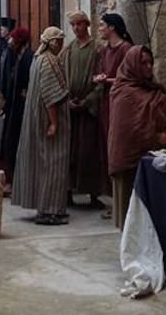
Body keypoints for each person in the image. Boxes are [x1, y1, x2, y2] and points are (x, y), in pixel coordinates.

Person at [108, 45, 166, 229]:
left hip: (155, 161)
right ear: (132, 64)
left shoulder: (154, 89)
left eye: (150, 62)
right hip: (130, 163)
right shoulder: (122, 93)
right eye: (143, 63)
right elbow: (128, 130)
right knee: (131, 218)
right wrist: (156, 138)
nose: (148, 67)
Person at [11, 26, 70, 226]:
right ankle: (50, 210)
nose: (61, 44)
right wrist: (54, 122)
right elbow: (51, 95)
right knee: (54, 164)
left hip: (37, 119)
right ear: (51, 42)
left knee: (43, 163)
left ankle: (44, 207)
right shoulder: (48, 61)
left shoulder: (38, 59)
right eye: (58, 41)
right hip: (47, 120)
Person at [93, 12, 133, 216]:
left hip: (120, 105)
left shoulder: (125, 49)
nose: (99, 28)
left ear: (112, 28)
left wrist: (107, 80)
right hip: (106, 104)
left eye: (102, 25)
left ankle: (123, 202)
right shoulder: (104, 50)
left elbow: (129, 77)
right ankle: (114, 199)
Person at [62, 11, 102, 208]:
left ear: (86, 25)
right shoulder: (69, 49)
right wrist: (67, 100)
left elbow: (101, 80)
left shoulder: (97, 49)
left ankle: (93, 194)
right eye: (73, 25)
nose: (76, 28)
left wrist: (87, 101)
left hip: (88, 111)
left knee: (89, 152)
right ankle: (68, 192)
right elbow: (61, 76)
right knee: (70, 153)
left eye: (79, 24)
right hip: (71, 110)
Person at [1, 27, 33, 190]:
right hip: (14, 108)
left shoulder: (28, 57)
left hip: (22, 109)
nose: (10, 41)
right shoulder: (16, 56)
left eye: (13, 39)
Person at [0, 16, 16, 97]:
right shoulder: (0, 42)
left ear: (8, 30)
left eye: (2, 29)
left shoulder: (13, 43)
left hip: (8, 75)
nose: (1, 31)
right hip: (0, 73)